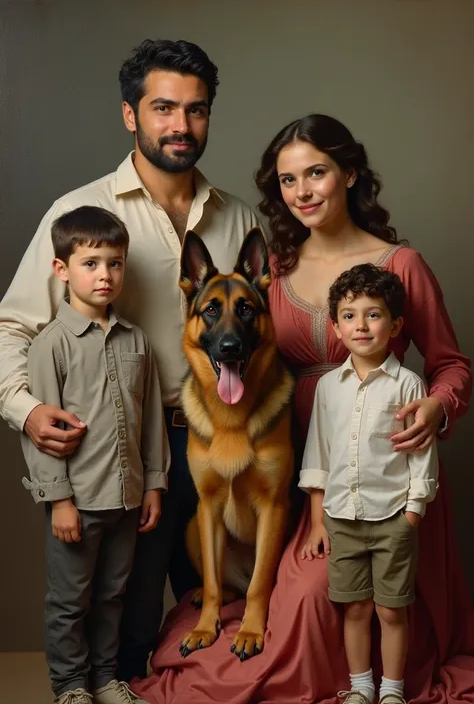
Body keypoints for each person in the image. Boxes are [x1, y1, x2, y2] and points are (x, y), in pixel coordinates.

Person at [131, 114, 473, 704]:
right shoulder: (273, 274)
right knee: (299, 607)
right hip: (301, 475)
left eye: (316, 173)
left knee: (335, 603)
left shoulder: (400, 265)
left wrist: (437, 407)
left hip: (382, 472)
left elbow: (451, 365)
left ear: (350, 175)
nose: (304, 192)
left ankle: (379, 686)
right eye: (289, 181)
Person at [0, 38, 262, 682]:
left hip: (224, 441)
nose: (180, 125)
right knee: (124, 611)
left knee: (225, 613)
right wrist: (27, 410)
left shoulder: (239, 218)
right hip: (125, 448)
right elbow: (13, 325)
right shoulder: (79, 213)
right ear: (130, 115)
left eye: (196, 110)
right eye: (163, 108)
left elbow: (267, 331)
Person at [20, 206, 166, 704]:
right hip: (77, 503)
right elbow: (38, 436)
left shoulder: (138, 342)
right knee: (70, 602)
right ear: (62, 270)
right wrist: (58, 500)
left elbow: (149, 425)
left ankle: (105, 679)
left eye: (116, 263)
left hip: (126, 501)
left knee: (112, 597)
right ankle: (70, 687)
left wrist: (153, 484)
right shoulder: (50, 346)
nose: (105, 274)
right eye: (91, 263)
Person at [300, 263, 439, 704]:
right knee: (355, 607)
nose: (360, 325)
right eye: (348, 315)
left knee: (391, 609)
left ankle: (392, 691)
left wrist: (413, 512)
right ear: (337, 327)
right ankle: (361, 688)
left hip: (392, 518)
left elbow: (421, 454)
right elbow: (318, 455)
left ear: (395, 325)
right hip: (341, 518)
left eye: (373, 314)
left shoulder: (408, 384)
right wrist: (317, 521)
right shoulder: (328, 388)